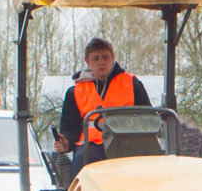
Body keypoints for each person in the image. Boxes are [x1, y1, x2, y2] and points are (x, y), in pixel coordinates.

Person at [56, 37, 150, 176]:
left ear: (112, 58)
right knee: (82, 162)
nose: (101, 62)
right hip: (90, 148)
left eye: (105, 57)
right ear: (87, 61)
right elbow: (70, 127)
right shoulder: (75, 91)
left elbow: (148, 118)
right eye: (96, 58)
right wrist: (66, 142)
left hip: (126, 144)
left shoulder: (132, 84)